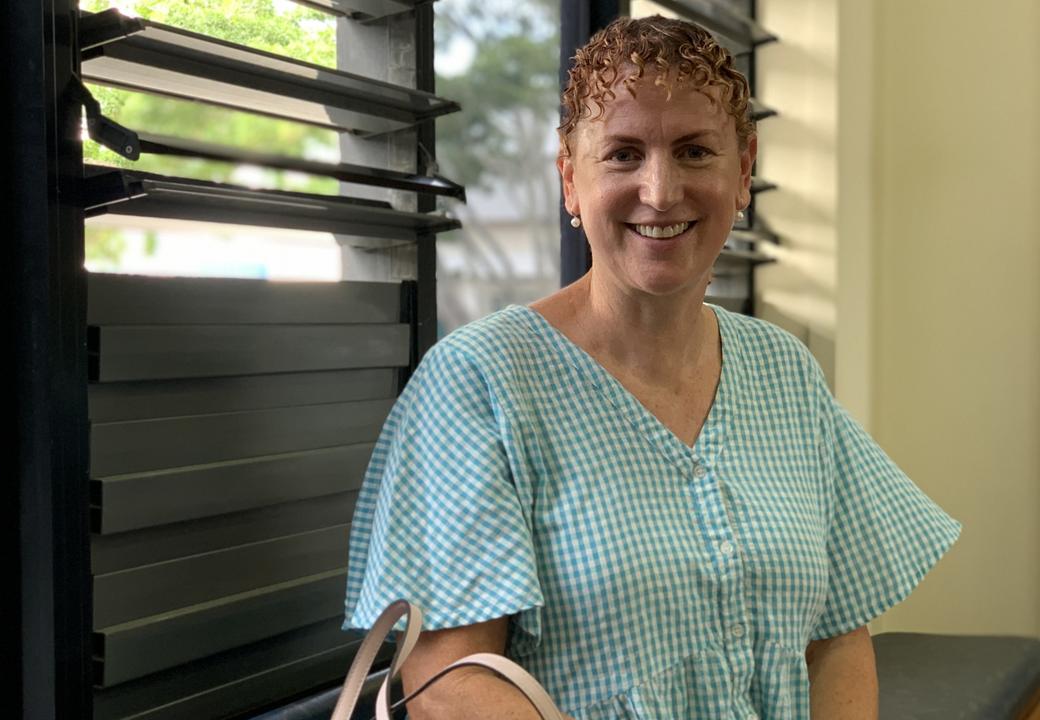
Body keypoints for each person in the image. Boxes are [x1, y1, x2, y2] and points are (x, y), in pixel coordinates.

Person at [343, 15, 960, 720]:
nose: (661, 191)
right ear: (570, 177)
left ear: (745, 171)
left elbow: (837, 637)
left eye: (695, 152)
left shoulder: (783, 372)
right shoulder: (480, 383)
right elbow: (446, 681)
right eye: (623, 154)